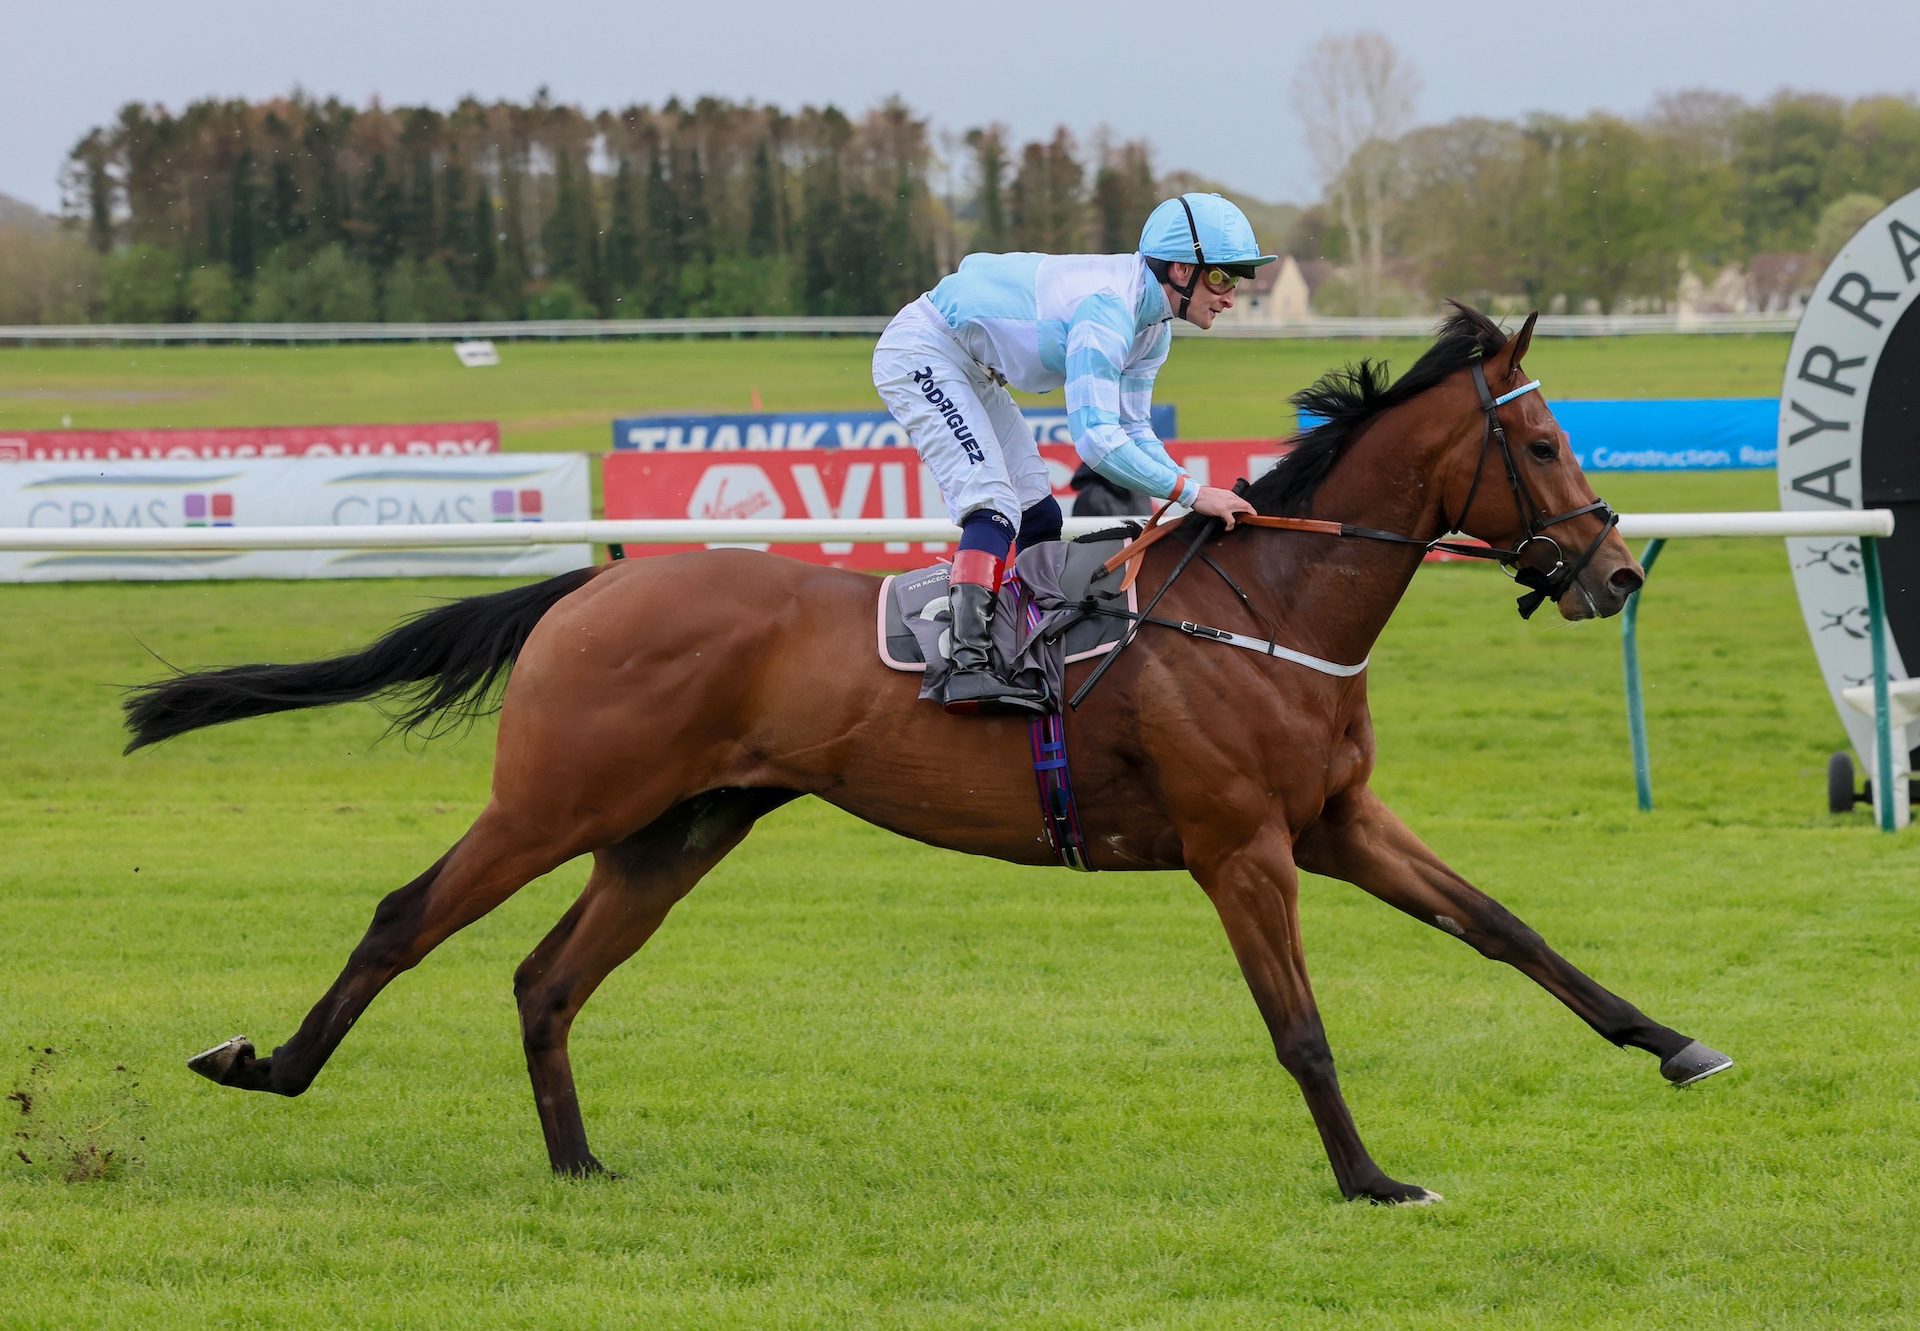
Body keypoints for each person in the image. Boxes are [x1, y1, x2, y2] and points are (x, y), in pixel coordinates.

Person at [872, 192, 1265, 715]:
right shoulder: (1107, 311)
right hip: (924, 352)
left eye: (1238, 280)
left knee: (1039, 508)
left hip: (972, 365)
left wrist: (1196, 493)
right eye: (1221, 278)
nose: (1230, 295)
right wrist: (1193, 494)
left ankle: (1029, 640)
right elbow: (1098, 442)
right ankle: (967, 668)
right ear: (1179, 269)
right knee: (992, 503)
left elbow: (1134, 430)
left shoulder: (1152, 330)